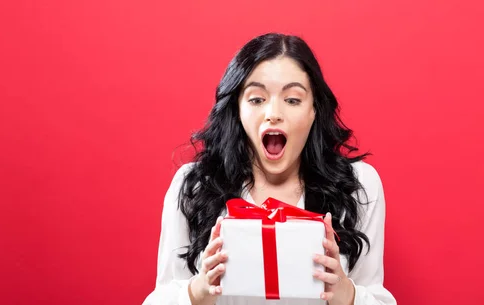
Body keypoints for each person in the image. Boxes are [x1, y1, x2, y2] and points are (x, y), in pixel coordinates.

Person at [142, 33, 396, 305]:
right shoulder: (194, 186)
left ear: (314, 111)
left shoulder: (359, 186)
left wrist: (347, 294)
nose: (273, 113)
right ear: (237, 109)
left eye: (292, 100)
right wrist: (197, 291)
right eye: (256, 99)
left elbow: (378, 297)